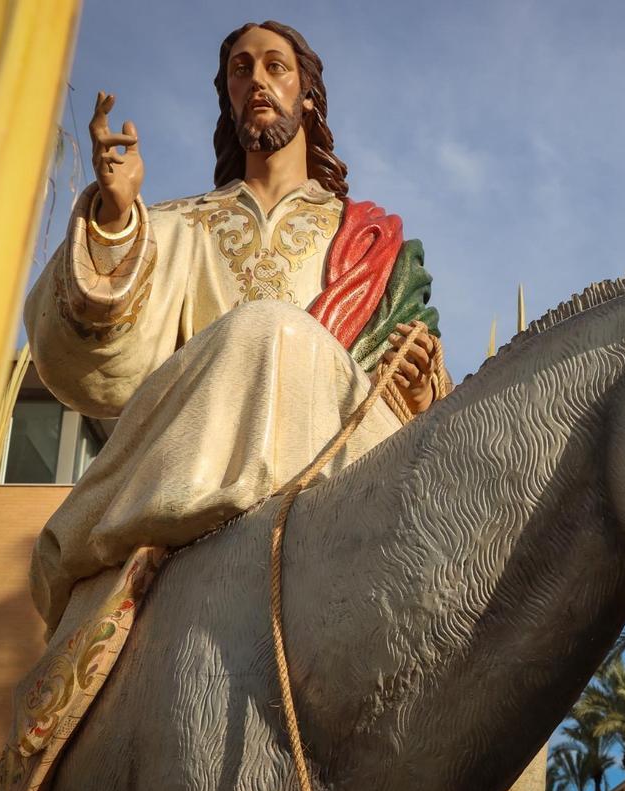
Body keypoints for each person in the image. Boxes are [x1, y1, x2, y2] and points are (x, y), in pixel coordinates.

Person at [23, 20, 449, 633]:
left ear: (307, 93)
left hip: (341, 473)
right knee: (269, 328)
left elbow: (427, 408)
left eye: (276, 66)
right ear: (227, 94)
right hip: (203, 477)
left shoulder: (371, 243)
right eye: (241, 69)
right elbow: (90, 361)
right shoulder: (180, 226)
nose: (257, 80)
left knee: (274, 329)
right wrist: (115, 221)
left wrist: (420, 386)